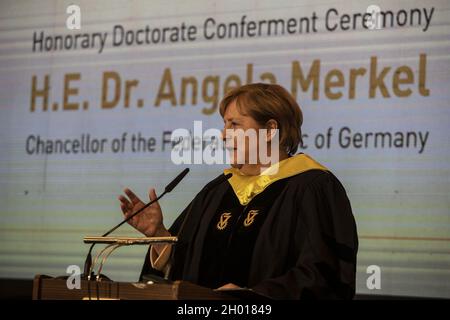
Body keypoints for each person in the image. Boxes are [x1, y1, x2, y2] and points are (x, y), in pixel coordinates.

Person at [118, 83, 358, 299]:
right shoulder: (217, 192)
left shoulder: (312, 188)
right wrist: (159, 235)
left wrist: (252, 297)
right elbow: (184, 273)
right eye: (224, 125)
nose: (223, 135)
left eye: (234, 124)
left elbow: (325, 274)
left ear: (270, 130)